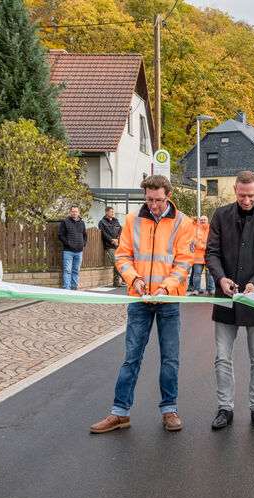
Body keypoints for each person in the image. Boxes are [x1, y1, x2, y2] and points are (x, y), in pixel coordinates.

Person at [89, 175, 195, 434]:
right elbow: (123, 255)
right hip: (139, 299)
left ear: (168, 196)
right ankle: (120, 413)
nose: (154, 205)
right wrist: (133, 279)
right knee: (131, 358)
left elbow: (184, 263)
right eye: (149, 199)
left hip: (168, 300)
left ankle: (169, 409)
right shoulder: (131, 220)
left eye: (159, 200)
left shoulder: (183, 223)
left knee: (170, 359)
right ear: (144, 197)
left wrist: (165, 287)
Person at [205, 170, 254, 431]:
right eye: (241, 196)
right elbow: (212, 252)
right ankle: (224, 408)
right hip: (226, 296)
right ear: (235, 191)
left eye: (250, 196)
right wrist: (220, 278)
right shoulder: (220, 215)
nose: (246, 201)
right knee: (222, 357)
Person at [58, 205, 87, 290]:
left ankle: (74, 286)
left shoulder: (81, 222)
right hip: (68, 251)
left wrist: (83, 244)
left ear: (78, 212)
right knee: (67, 270)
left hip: (79, 251)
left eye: (76, 211)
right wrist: (68, 243)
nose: (74, 213)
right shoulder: (65, 221)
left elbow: (85, 235)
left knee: (76, 270)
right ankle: (67, 288)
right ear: (70, 212)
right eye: (73, 211)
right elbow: (61, 235)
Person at [189, 215, 214, 296]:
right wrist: (203, 246)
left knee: (210, 273)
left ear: (207, 221)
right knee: (197, 274)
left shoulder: (211, 228)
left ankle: (211, 290)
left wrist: (209, 247)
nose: (203, 221)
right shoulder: (195, 229)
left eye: (204, 219)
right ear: (199, 221)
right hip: (198, 257)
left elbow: (214, 239)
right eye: (201, 220)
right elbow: (193, 240)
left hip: (209, 255)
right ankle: (196, 290)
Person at [98, 206, 123, 286]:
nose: (113, 213)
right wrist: (112, 240)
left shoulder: (116, 221)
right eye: (111, 211)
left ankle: (116, 282)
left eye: (113, 211)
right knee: (115, 263)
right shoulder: (102, 222)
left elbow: (120, 231)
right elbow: (103, 233)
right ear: (106, 212)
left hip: (117, 245)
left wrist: (117, 239)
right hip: (109, 245)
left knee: (120, 262)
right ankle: (121, 280)